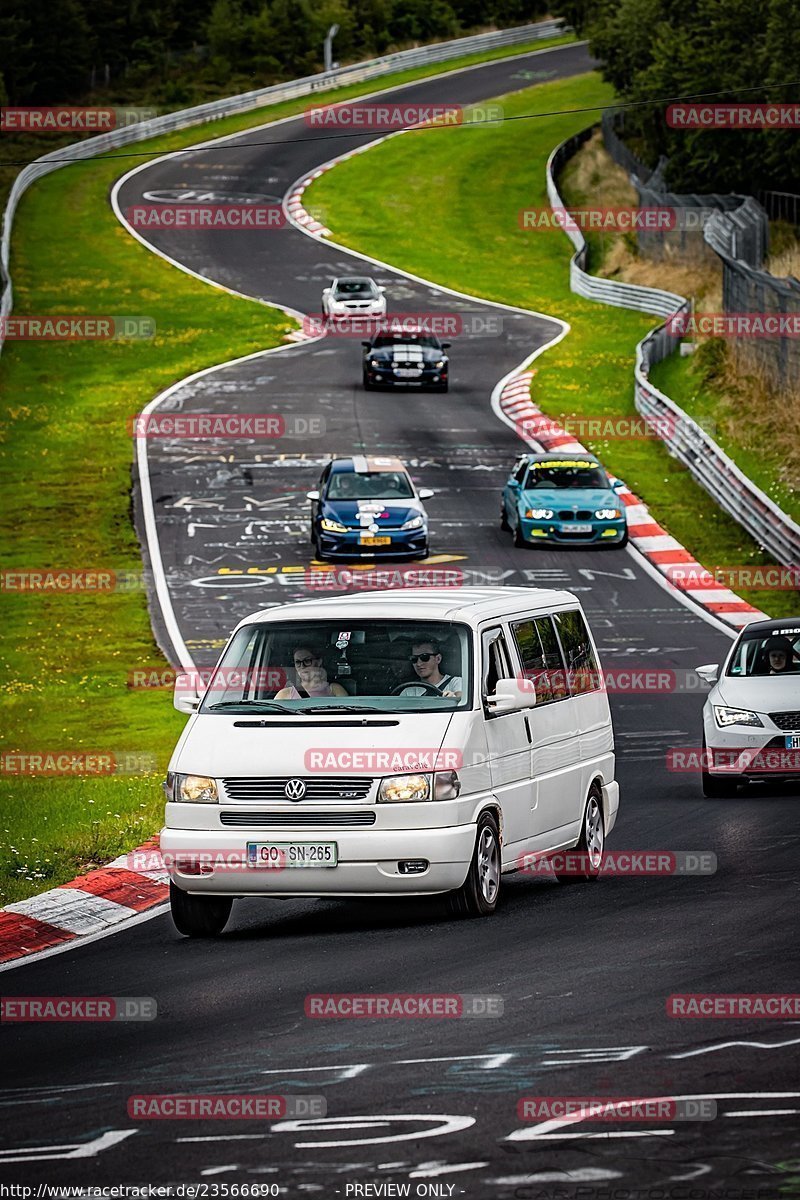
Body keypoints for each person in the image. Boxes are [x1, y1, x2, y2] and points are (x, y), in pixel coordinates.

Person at [275, 645, 348, 699]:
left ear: (319, 662)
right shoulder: (284, 694)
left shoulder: (335, 689)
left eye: (307, 661)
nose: (302, 666)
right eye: (298, 662)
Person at [398, 637, 462, 698]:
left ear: (438, 659)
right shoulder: (408, 692)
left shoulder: (455, 682)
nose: (418, 664)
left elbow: (461, 697)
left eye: (424, 657)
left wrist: (453, 697)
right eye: (414, 659)